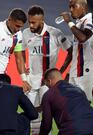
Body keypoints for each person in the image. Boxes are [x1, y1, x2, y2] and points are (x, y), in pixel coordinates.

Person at [22, 5, 72, 135]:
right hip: (32, 79)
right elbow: (21, 50)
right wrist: (24, 65)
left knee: (47, 114)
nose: (31, 25)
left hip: (48, 82)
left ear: (42, 21)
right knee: (32, 113)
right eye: (29, 22)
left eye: (33, 22)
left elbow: (71, 51)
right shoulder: (26, 33)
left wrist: (59, 72)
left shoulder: (55, 33)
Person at [40, 68, 93, 135]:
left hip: (73, 129)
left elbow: (46, 125)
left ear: (49, 81)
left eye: (47, 85)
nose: (48, 87)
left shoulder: (48, 94)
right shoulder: (79, 90)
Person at [60, 0, 93, 102]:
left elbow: (83, 37)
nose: (71, 10)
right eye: (70, 7)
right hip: (76, 70)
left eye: (74, 7)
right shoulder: (78, 24)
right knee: (66, 102)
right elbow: (74, 50)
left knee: (83, 106)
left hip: (86, 71)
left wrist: (68, 21)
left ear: (83, 7)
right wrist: (63, 71)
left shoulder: (90, 20)